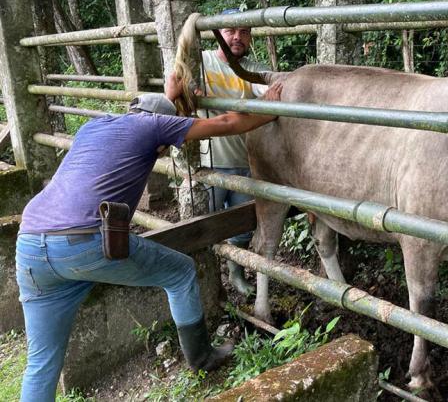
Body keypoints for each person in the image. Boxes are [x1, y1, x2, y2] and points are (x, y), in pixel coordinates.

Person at [15, 72, 283, 402]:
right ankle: (202, 358)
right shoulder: (155, 126)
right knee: (180, 272)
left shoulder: (94, 126)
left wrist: (173, 96)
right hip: (83, 241)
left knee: (42, 362)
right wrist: (268, 109)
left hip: (30, 244)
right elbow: (227, 122)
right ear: (162, 133)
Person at [198, 7, 269, 296]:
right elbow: (180, 86)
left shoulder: (252, 71)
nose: (237, 37)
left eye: (244, 32)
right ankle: (210, 282)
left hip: (244, 160)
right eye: (230, 31)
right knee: (208, 225)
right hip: (211, 160)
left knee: (242, 227)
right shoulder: (201, 62)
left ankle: (235, 272)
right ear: (218, 34)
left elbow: (273, 99)